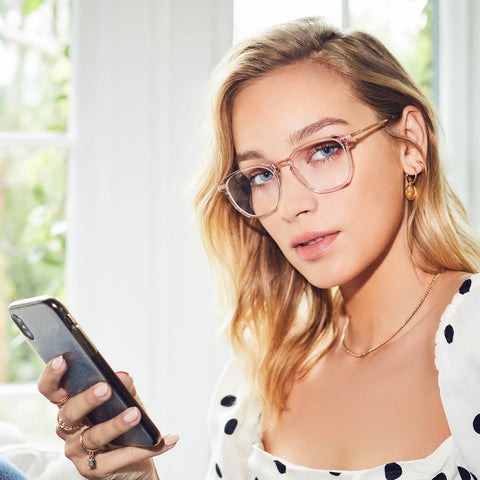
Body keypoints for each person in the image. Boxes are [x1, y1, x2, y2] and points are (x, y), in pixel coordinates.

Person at [37, 17, 480, 480]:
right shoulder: (259, 377)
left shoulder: (472, 339)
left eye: (325, 149)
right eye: (262, 175)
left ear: (410, 142)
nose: (291, 205)